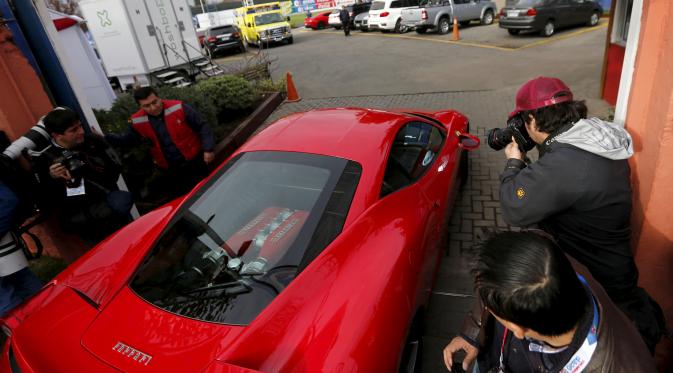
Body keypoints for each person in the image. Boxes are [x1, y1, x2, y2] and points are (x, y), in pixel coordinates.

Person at [497, 76, 665, 352]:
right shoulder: (591, 136)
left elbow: (514, 207)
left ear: (534, 121)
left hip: (594, 283)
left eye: (525, 122)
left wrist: (514, 163)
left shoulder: (566, 163)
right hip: (615, 268)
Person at [443, 231, 656, 373]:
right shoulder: (546, 259)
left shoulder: (615, 366)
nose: (485, 306)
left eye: (490, 307)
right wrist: (473, 332)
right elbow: (493, 285)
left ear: (517, 328)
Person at [35, 107, 133, 244]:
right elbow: (47, 199)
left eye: (80, 126)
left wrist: (88, 166)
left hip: (113, 210)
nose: (81, 132)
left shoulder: (92, 142)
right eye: (73, 130)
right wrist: (54, 178)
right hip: (88, 224)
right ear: (57, 135)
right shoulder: (45, 159)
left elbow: (115, 168)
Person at [105, 86, 215, 199]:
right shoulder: (137, 120)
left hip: (196, 161)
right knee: (187, 199)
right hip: (171, 170)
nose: (153, 108)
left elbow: (202, 126)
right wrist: (104, 137)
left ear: (159, 98)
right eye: (146, 106)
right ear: (140, 106)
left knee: (209, 192)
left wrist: (208, 149)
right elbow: (128, 139)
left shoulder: (179, 107)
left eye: (155, 102)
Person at [0, 140, 42, 316]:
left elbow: (8, 201)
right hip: (7, 249)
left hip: (6, 250)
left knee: (9, 307)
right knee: (33, 291)